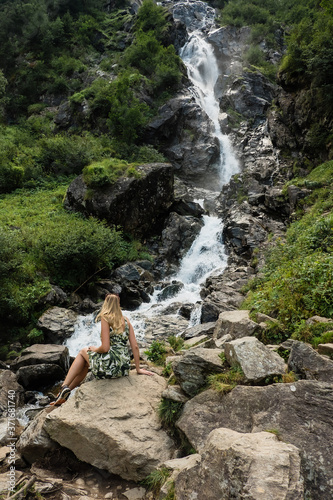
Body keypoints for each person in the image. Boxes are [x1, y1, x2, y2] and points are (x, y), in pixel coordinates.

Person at [50, 293, 154, 406]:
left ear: (106, 304)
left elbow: (105, 348)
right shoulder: (126, 321)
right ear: (118, 304)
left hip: (110, 365)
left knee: (82, 352)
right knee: (85, 364)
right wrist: (138, 369)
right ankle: (65, 394)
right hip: (123, 368)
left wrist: (94, 349)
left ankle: (63, 387)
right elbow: (135, 346)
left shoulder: (106, 318)